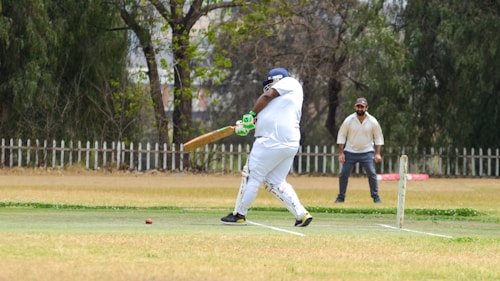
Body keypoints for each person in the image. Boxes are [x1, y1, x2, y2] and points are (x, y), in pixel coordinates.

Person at [220, 68, 313, 227]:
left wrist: (251, 114)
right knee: (275, 182)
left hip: (271, 141)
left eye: (270, 83)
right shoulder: (280, 102)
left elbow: (266, 96)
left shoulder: (290, 82)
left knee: (251, 175)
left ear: (277, 79)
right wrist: (245, 125)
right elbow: (264, 118)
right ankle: (301, 214)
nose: (268, 88)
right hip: (289, 142)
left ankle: (240, 214)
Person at [335, 97, 384, 203]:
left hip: (367, 152)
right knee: (344, 174)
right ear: (355, 107)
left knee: (372, 173)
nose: (360, 109)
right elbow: (342, 136)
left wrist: (378, 153)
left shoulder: (372, 121)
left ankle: (375, 197)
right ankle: (341, 197)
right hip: (350, 151)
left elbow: (378, 137)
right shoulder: (349, 120)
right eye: (358, 106)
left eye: (362, 107)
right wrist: (341, 153)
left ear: (366, 108)